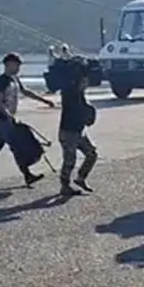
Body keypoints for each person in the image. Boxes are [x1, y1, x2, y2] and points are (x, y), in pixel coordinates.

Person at [0, 52, 53, 187]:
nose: (18, 68)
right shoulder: (1, 81)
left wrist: (44, 100)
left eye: (19, 65)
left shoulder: (14, 79)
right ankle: (27, 175)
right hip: (2, 119)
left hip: (7, 119)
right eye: (16, 65)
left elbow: (25, 92)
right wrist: (8, 116)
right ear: (8, 64)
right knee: (16, 146)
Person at [57, 64, 99, 196]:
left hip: (78, 132)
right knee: (70, 160)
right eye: (85, 81)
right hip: (68, 132)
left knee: (91, 154)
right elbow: (77, 111)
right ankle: (65, 185)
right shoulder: (71, 93)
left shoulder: (79, 94)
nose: (87, 84)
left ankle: (80, 178)